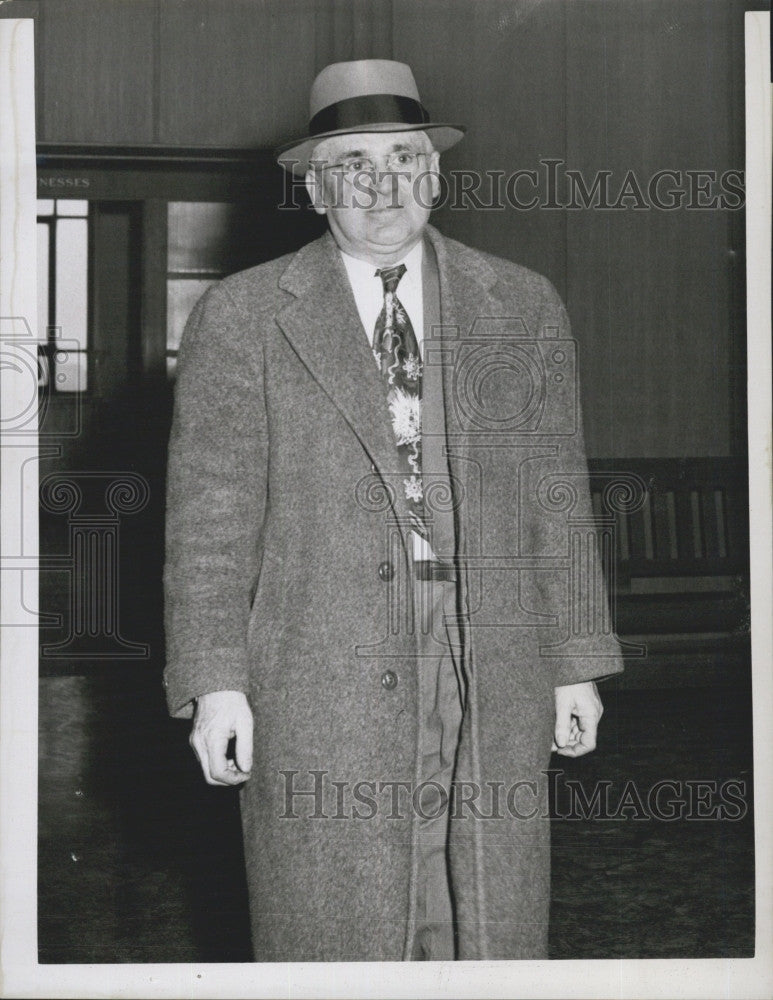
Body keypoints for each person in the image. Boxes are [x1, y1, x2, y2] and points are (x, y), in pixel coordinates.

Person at [164, 58, 623, 962]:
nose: (384, 186)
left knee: (482, 909)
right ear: (314, 184)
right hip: (314, 665)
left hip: (489, 651)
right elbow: (209, 521)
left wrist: (576, 663)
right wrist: (216, 683)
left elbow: (556, 497)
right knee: (339, 914)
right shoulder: (243, 316)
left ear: (436, 173)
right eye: (353, 163)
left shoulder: (519, 305)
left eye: (405, 159)